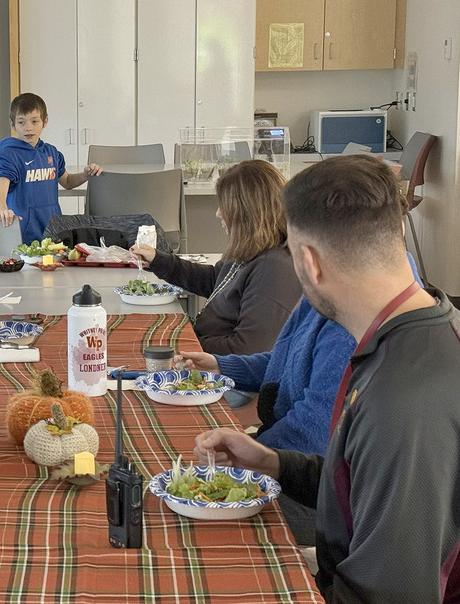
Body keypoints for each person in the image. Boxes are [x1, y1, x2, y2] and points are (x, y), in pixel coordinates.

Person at [194, 155, 460, 602]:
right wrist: (270, 461)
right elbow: (357, 486)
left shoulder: (400, 403)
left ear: (311, 263)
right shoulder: (408, 332)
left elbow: (392, 590)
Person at [132, 159, 301, 357]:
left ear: (247, 212)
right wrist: (158, 260)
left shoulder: (274, 269)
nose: (218, 213)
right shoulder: (254, 250)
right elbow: (215, 280)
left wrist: (185, 342)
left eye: (224, 206)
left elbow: (247, 349)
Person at [0, 92, 103, 243]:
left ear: (45, 122)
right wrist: (3, 211)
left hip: (53, 231)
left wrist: (86, 174)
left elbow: (68, 182)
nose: (28, 128)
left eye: (34, 121)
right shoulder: (8, 154)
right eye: (21, 122)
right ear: (12, 124)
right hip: (24, 235)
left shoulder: (51, 152)